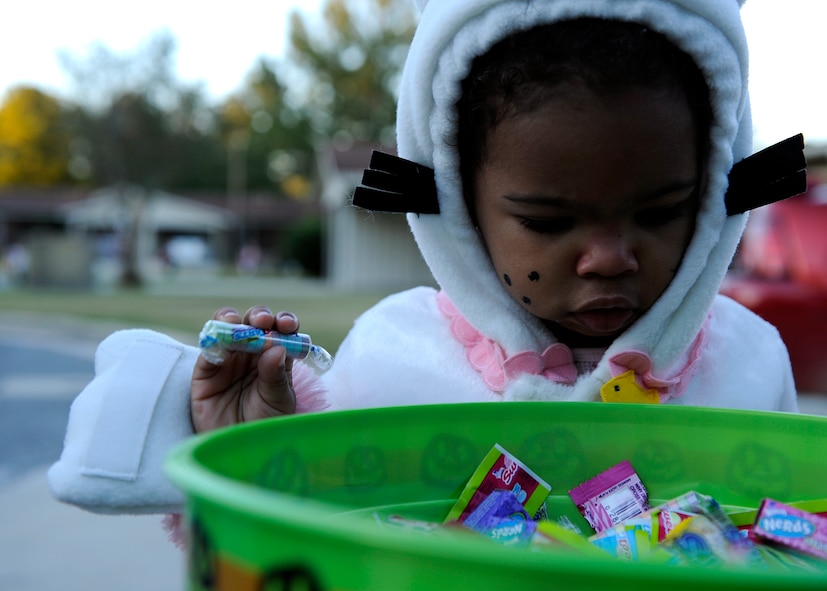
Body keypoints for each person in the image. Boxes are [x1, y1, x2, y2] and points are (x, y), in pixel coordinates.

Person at [49, 0, 803, 522]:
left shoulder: (748, 362)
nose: (607, 258)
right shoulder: (391, 359)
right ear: (456, 203)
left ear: (716, 195)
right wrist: (264, 454)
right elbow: (317, 552)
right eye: (547, 219)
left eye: (661, 210)